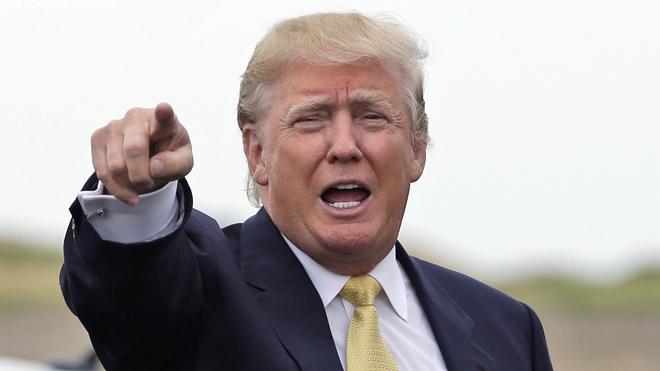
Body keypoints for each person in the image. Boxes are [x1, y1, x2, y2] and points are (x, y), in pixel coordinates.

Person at [61, 12, 553, 371]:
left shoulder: (509, 329)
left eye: (372, 116)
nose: (344, 146)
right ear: (258, 154)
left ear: (417, 148)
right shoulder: (203, 292)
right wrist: (138, 196)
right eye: (311, 119)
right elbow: (131, 296)